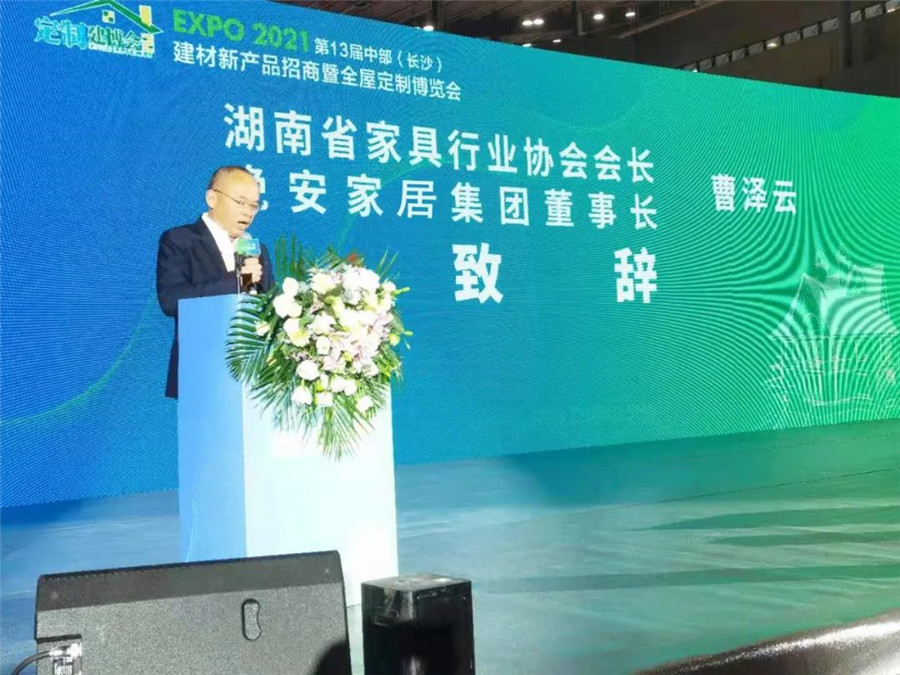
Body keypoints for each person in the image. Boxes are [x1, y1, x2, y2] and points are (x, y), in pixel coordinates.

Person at [156, 166, 274, 398]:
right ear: (212, 198)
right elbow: (171, 300)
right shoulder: (180, 239)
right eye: (240, 202)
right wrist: (236, 281)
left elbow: (268, 306)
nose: (248, 212)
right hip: (200, 370)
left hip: (253, 374)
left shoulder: (256, 249)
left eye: (254, 205)